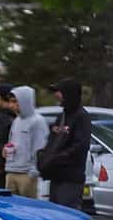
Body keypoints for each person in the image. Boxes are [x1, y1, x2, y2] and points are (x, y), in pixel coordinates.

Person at [38, 77, 92, 207]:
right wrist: (43, 156)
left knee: (67, 215)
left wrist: (56, 158)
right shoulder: (62, 116)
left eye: (60, 92)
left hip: (70, 180)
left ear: (69, 94)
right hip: (56, 177)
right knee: (55, 214)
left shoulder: (81, 117)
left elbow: (79, 147)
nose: (57, 95)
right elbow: (53, 141)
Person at [1, 84, 49, 197]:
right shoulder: (16, 121)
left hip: (27, 173)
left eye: (15, 101)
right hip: (11, 170)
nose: (11, 105)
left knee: (27, 206)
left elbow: (40, 148)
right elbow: (12, 142)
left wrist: (34, 171)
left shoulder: (38, 121)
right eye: (10, 101)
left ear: (25, 101)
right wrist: (6, 150)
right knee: (12, 205)